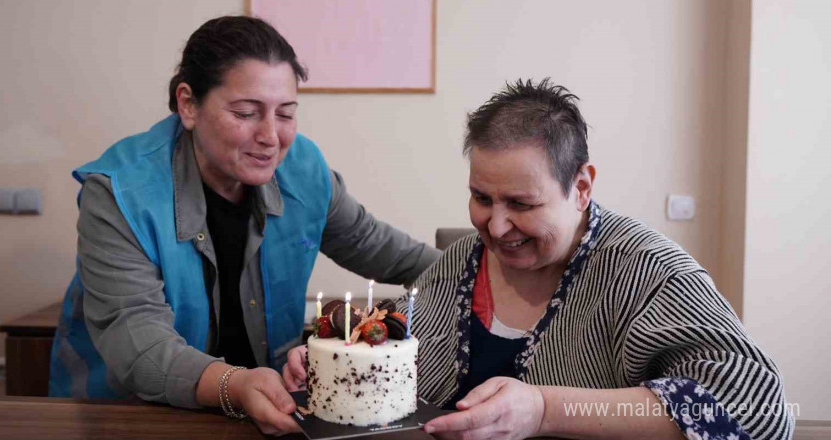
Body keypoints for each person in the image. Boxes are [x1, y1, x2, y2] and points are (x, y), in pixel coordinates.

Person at [284, 79, 794, 440]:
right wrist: (325, 357)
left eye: (522, 205)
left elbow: (760, 411)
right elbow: (391, 341)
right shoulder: (461, 263)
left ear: (582, 187)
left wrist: (547, 409)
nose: (496, 227)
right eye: (482, 198)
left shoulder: (648, 272)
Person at [48, 16, 440, 436]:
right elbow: (139, 342)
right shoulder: (119, 192)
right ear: (188, 104)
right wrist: (234, 385)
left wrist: (493, 267)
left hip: (264, 411)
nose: (271, 136)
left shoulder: (303, 169)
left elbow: (386, 251)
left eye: (286, 113)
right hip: (131, 415)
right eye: (246, 113)